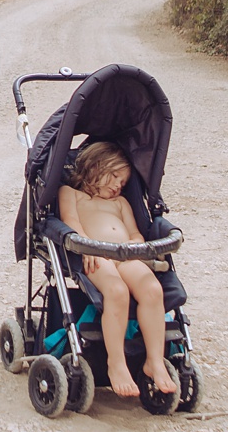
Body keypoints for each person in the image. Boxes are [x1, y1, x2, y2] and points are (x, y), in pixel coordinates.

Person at [58, 141, 178, 398]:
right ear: (95, 166)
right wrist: (85, 246)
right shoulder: (70, 193)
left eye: (122, 182)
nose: (117, 185)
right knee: (116, 291)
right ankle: (117, 362)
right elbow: (71, 223)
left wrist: (135, 246)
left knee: (152, 289)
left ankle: (154, 361)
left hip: (125, 254)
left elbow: (135, 233)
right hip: (94, 254)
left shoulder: (121, 203)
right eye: (114, 177)